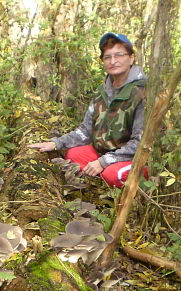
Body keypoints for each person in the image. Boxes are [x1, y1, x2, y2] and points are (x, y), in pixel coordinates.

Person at [28, 32, 148, 188]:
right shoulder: (102, 91)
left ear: (131, 58)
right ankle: (99, 182)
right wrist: (56, 143)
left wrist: (103, 162)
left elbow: (140, 143)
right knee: (73, 155)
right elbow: (85, 131)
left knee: (112, 175)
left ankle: (126, 185)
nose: (113, 61)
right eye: (107, 57)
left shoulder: (143, 93)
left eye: (119, 55)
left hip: (133, 159)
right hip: (104, 151)